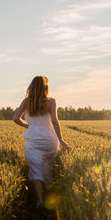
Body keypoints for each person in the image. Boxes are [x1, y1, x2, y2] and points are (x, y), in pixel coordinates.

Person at [13, 76, 69, 205]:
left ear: (31, 87)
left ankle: (39, 201)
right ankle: (51, 201)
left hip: (33, 140)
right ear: (46, 87)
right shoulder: (51, 101)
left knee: (36, 170)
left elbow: (16, 118)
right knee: (47, 168)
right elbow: (55, 122)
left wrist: (28, 126)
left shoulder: (27, 102)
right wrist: (61, 140)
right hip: (50, 140)